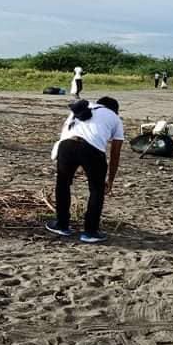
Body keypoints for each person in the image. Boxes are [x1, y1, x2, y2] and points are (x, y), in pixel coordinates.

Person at [46, 97, 124, 244]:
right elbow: (115, 153)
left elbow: (65, 132)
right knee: (96, 190)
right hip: (92, 150)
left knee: (63, 184)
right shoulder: (115, 118)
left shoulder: (81, 108)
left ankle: (61, 225)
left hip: (66, 146)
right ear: (114, 109)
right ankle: (90, 231)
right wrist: (110, 180)